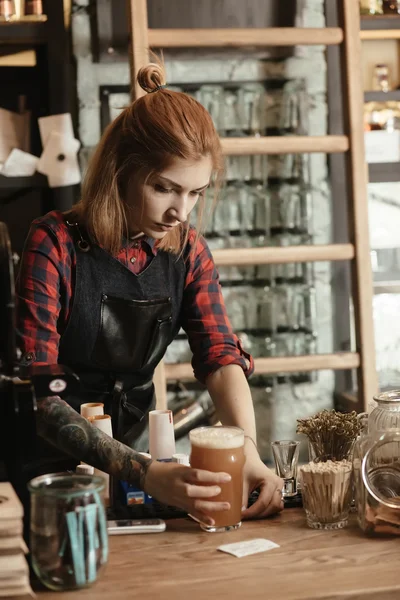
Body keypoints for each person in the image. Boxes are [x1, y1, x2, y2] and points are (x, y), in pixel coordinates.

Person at [16, 61, 284, 526]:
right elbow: (46, 397)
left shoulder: (187, 254)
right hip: (49, 479)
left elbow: (220, 358)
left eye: (196, 193)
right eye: (164, 188)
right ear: (121, 169)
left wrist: (248, 448)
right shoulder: (55, 244)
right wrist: (146, 472)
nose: (181, 211)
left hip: (140, 476)